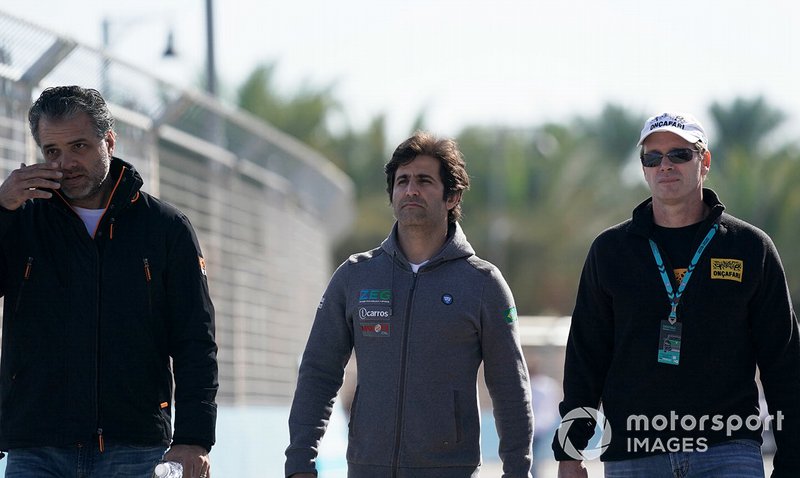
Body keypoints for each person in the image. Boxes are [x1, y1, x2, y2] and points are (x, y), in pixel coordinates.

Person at [553, 112, 800, 478]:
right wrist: (569, 454)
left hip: (727, 451)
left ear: (705, 162)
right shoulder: (610, 251)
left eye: (679, 155)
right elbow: (584, 360)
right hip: (633, 453)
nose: (665, 166)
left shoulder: (750, 248)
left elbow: (785, 365)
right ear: (644, 169)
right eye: (653, 158)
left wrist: (792, 462)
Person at [285, 131, 534, 477]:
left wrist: (517, 471)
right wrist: (300, 461)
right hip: (366, 468)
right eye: (402, 181)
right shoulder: (355, 277)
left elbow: (509, 387)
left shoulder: (483, 284)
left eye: (424, 180)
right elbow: (318, 373)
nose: (410, 190)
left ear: (452, 196)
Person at [0, 86, 218, 478]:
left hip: (136, 450)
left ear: (109, 141)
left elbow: (195, 341)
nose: (66, 163)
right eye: (52, 151)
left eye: (79, 146)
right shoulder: (21, 221)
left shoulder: (166, 229)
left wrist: (194, 438)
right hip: (36, 447)